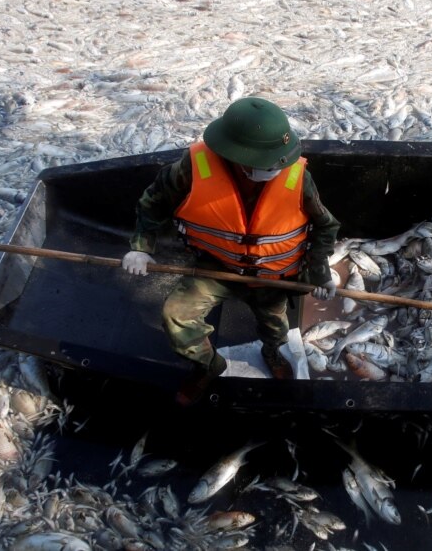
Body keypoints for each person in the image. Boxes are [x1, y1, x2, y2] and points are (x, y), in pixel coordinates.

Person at [121, 97, 341, 405]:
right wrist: (141, 247)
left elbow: (326, 226)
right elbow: (154, 201)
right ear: (240, 158)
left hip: (273, 276)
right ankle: (209, 366)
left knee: (275, 324)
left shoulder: (298, 178)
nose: (278, 168)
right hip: (216, 267)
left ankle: (273, 353)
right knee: (176, 316)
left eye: (281, 161)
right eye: (268, 164)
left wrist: (320, 274)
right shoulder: (193, 168)